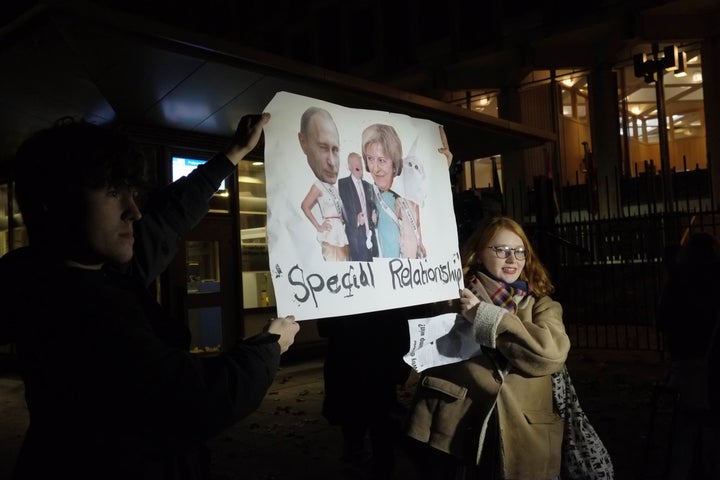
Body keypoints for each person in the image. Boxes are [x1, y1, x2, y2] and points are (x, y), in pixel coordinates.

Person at [0, 113, 300, 480]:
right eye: (112, 192)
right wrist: (270, 346)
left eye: (131, 192)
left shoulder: (88, 271)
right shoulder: (72, 309)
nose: (134, 211)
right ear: (54, 202)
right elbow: (193, 401)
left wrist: (233, 153)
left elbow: (169, 217)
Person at [404, 215, 570, 480]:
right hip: (452, 431)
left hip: (521, 433)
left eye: (519, 252)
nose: (512, 259)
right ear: (479, 253)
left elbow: (551, 355)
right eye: (501, 250)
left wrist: (484, 316)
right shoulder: (450, 294)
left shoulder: (541, 305)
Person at [316, 306, 427, 480]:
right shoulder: (382, 299)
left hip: (358, 371)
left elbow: (324, 328)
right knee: (374, 430)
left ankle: (363, 467)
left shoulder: (344, 298)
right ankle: (371, 467)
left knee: (367, 431)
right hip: (369, 371)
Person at [657, 231, 720, 480]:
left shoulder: (678, 280)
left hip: (686, 365)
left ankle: (683, 472)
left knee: (686, 427)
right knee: (713, 426)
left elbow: (663, 320)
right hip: (712, 362)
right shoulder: (716, 281)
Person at [361, 123, 425, 259]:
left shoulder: (409, 199)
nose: (375, 168)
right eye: (370, 159)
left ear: (394, 163)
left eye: (382, 160)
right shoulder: (363, 194)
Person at [299, 106, 349, 261]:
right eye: (323, 148)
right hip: (330, 236)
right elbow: (305, 206)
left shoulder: (335, 187)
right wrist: (319, 227)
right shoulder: (317, 185)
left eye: (335, 150)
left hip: (341, 234)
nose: (332, 163)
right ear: (303, 142)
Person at [338, 152, 378, 261]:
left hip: (370, 240)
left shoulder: (368, 186)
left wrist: (375, 216)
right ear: (349, 167)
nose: (359, 166)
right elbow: (342, 210)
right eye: (356, 163)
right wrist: (356, 220)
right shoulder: (342, 184)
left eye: (360, 163)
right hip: (355, 240)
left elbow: (373, 206)